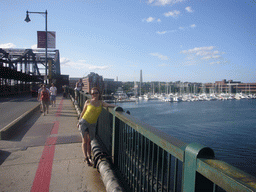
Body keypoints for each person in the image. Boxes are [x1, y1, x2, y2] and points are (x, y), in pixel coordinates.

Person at [77, 87, 116, 165]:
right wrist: (79, 121)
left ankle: (89, 156)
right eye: (92, 93)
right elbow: (83, 112)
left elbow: (109, 105)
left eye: (95, 93)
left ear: (99, 94)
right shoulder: (88, 101)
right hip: (84, 122)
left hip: (92, 124)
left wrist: (116, 106)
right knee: (84, 141)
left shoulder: (101, 102)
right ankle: (86, 158)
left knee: (89, 141)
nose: (94, 95)